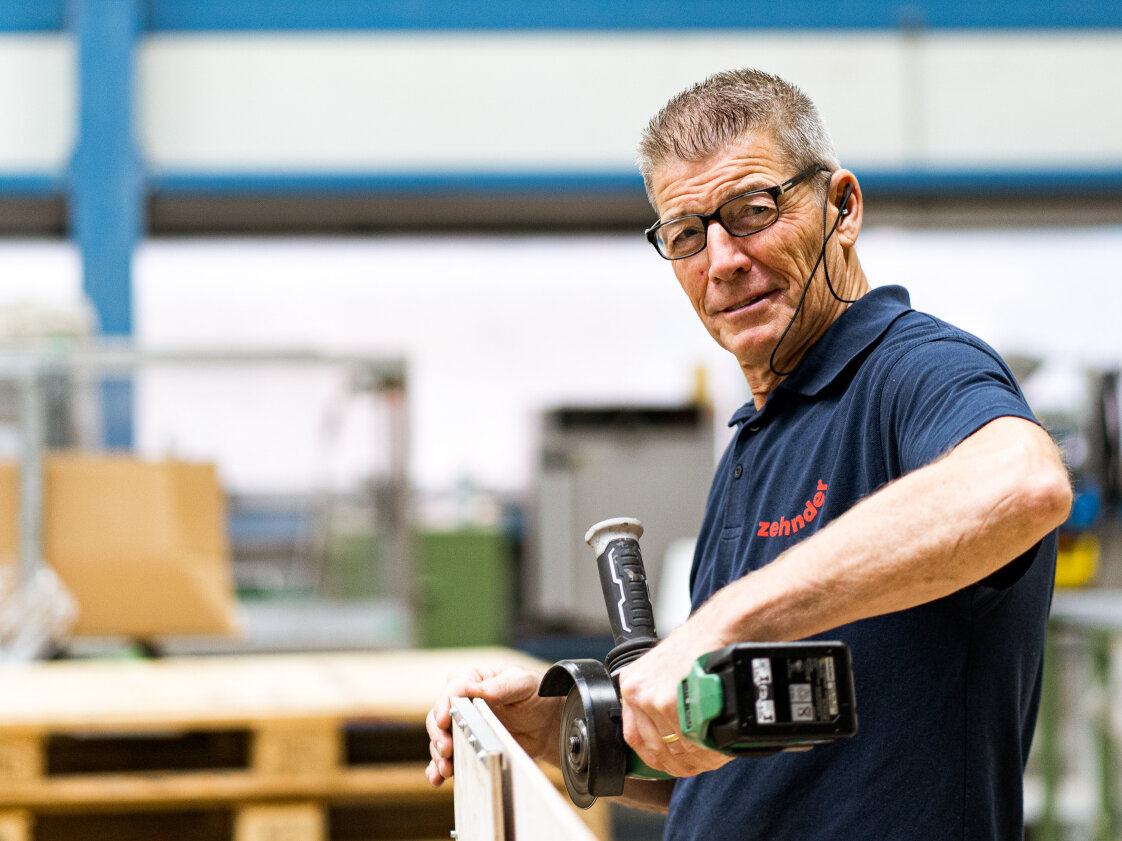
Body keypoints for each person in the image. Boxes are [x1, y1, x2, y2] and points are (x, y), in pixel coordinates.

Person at [425, 68, 1072, 840]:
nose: (722, 260)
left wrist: (719, 624)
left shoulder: (912, 369)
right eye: (686, 235)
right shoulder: (755, 439)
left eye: (754, 212)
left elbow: (1023, 484)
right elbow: (723, 769)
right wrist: (561, 726)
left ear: (842, 207)